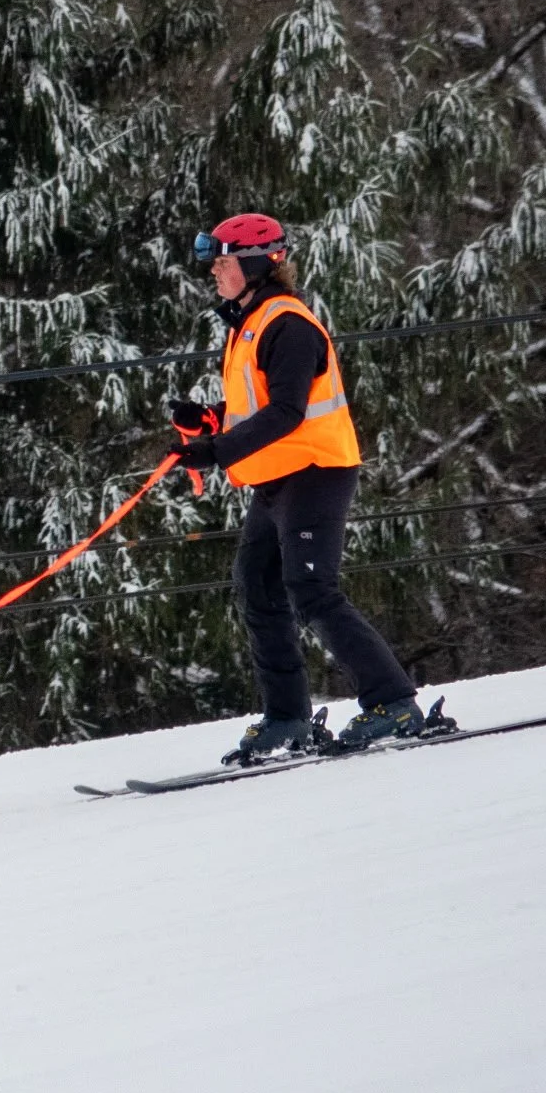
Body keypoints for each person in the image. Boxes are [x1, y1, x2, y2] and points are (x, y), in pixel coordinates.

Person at [170, 212, 422, 760]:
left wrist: (216, 451)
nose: (215, 271)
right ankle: (287, 718)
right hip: (277, 478)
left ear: (255, 264)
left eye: (223, 262)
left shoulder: (289, 324)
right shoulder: (250, 323)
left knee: (312, 590)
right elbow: (255, 407)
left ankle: (394, 702)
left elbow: (288, 411)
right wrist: (210, 420)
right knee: (258, 587)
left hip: (315, 472)